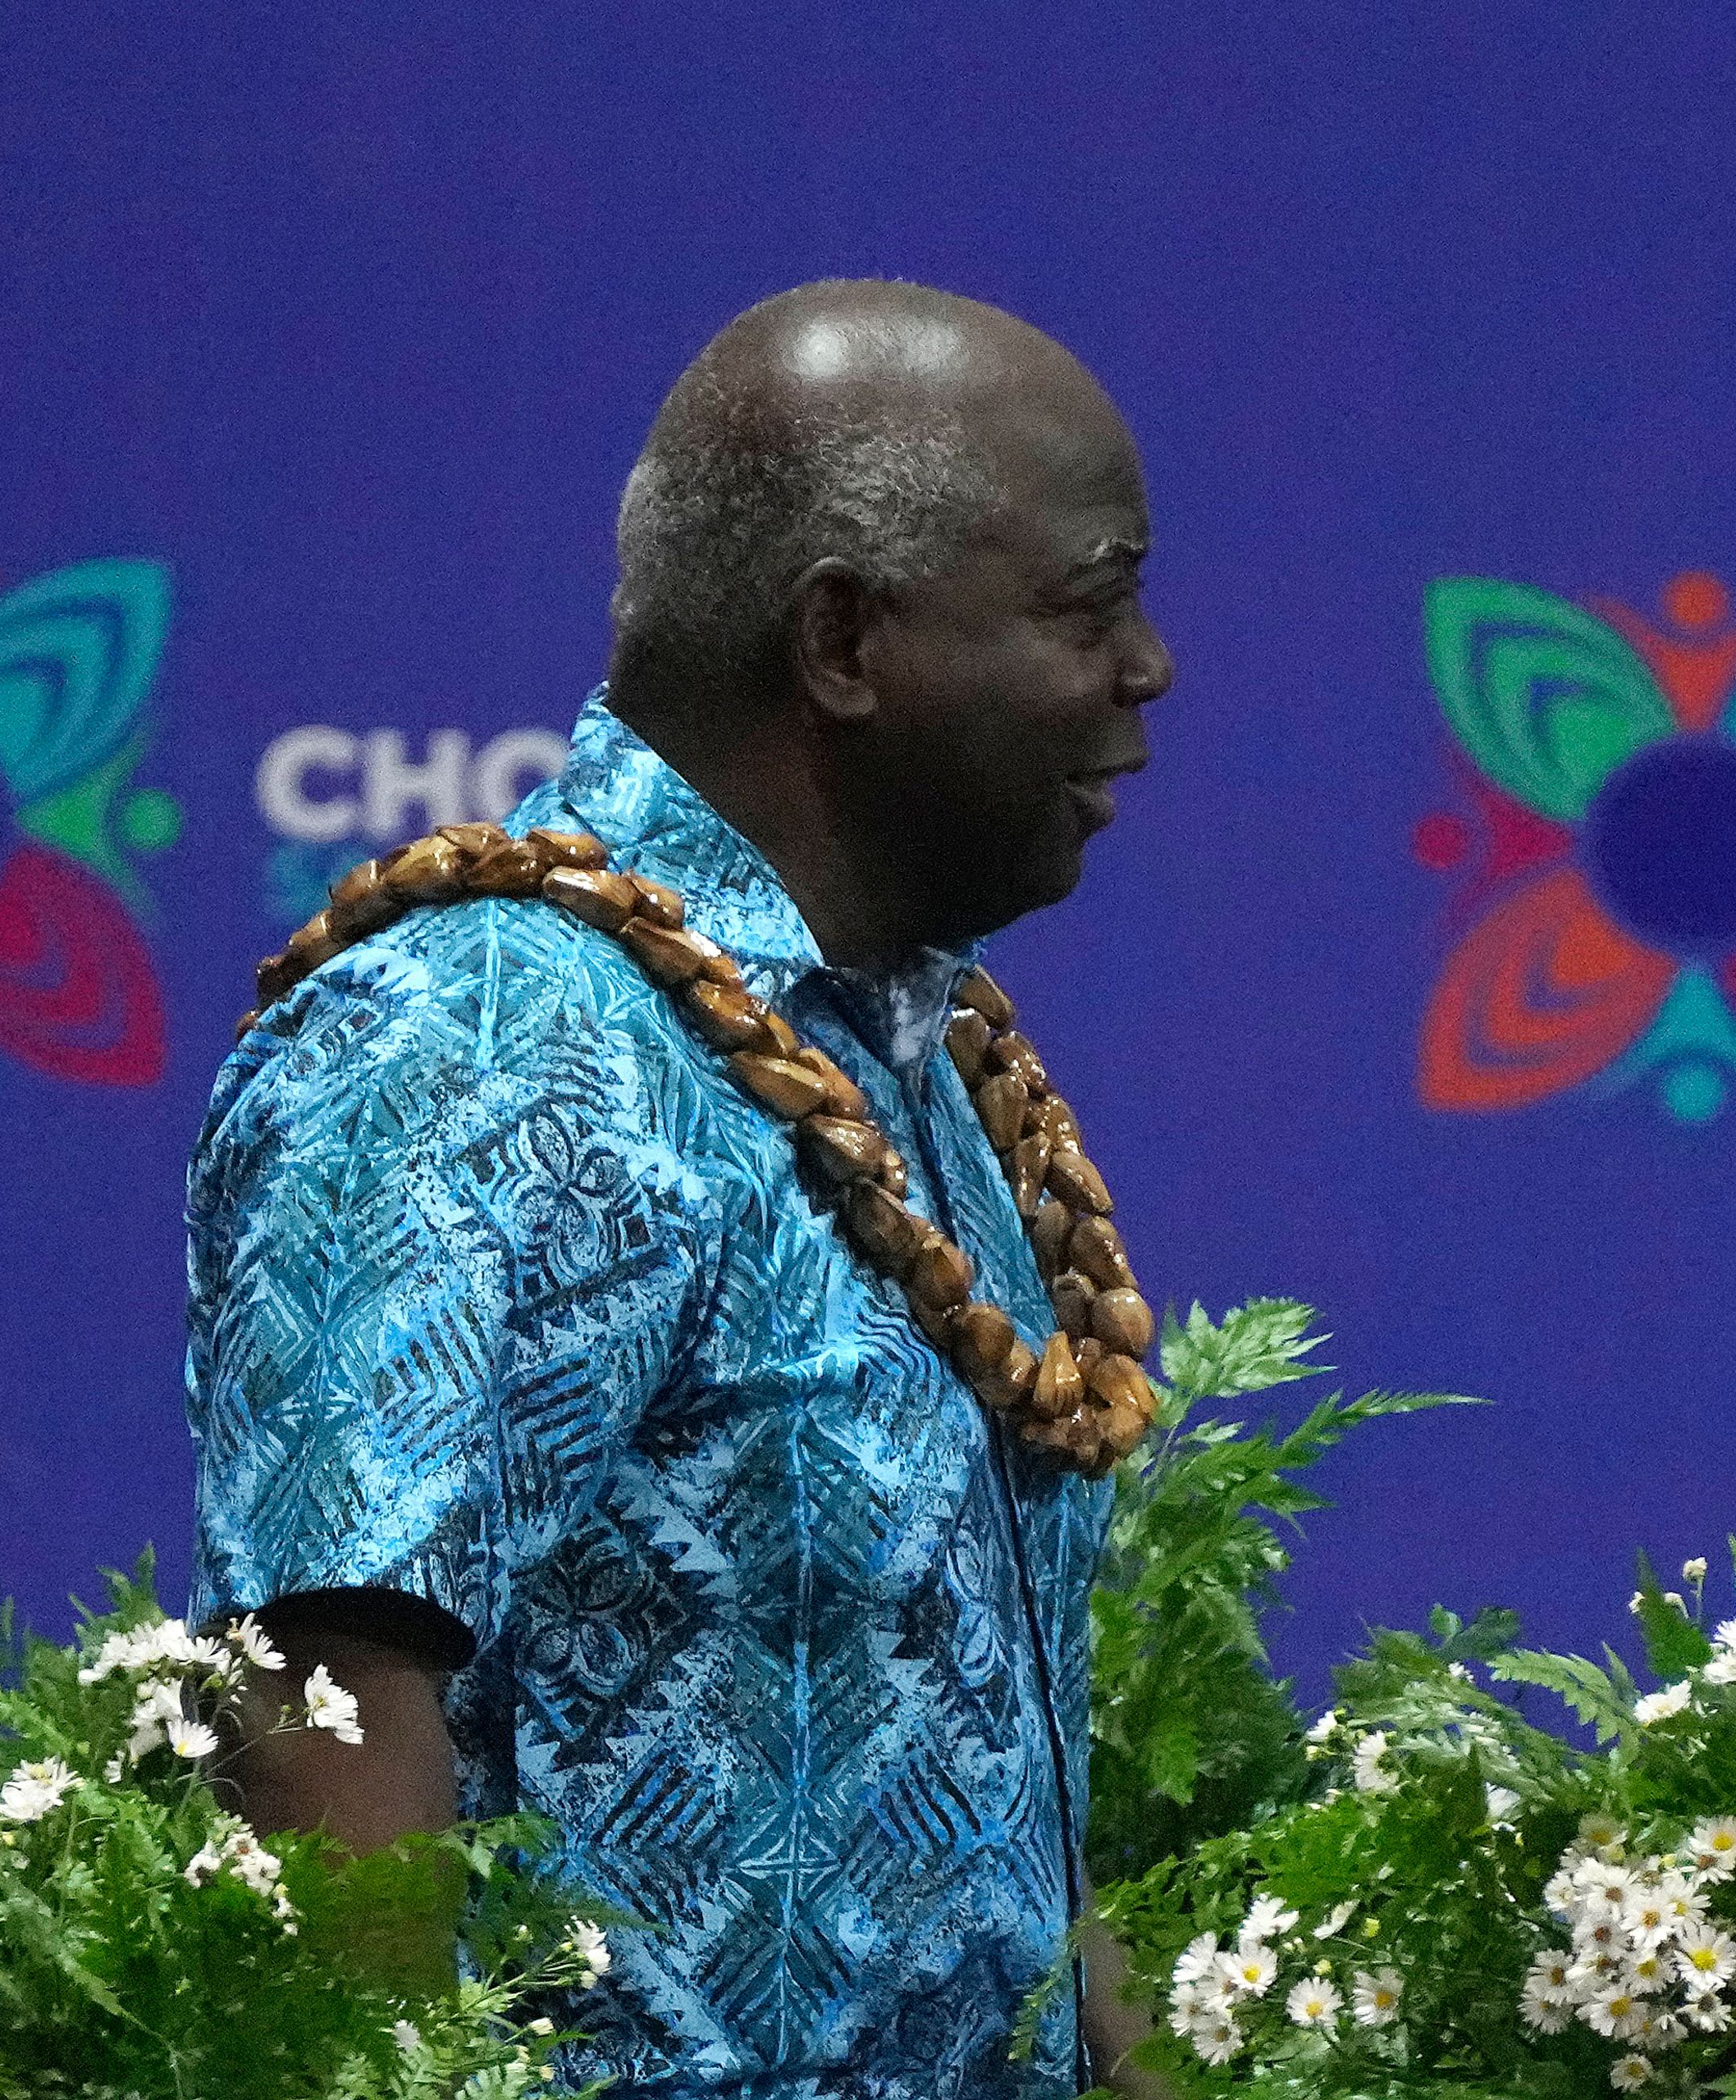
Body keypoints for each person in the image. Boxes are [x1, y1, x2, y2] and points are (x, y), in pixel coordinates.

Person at [182, 280, 1174, 2098]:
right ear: (846, 644)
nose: (1147, 667)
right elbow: (311, 1715)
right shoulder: (484, 1032)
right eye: (1089, 602)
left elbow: (972, 1809)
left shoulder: (912, 1052)